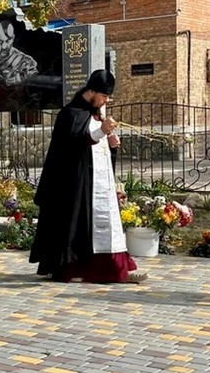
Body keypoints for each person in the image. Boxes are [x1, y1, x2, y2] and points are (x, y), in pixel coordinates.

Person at [30, 70, 145, 284]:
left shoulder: (95, 115)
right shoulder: (70, 114)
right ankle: (73, 268)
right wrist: (100, 132)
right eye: (103, 96)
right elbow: (69, 148)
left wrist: (111, 147)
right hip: (75, 185)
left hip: (98, 184)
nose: (106, 101)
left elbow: (96, 149)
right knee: (76, 227)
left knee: (102, 226)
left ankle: (111, 267)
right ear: (90, 91)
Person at [0, 18, 39, 86]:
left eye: (7, 41)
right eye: (0, 41)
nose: (4, 46)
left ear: (13, 39)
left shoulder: (26, 61)